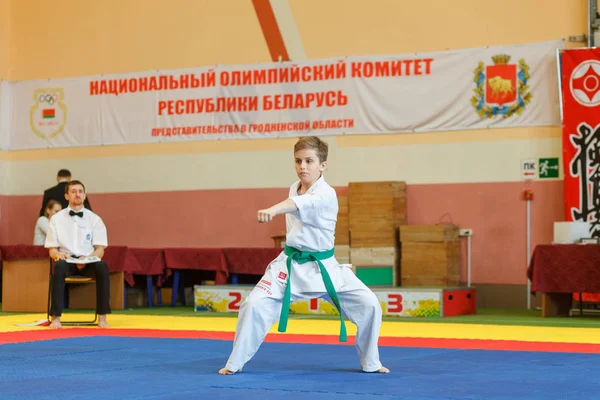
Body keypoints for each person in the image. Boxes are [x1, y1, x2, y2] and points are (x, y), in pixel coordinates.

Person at [218, 136, 389, 375]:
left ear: (323, 165)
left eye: (309, 161)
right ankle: (233, 364)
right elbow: (296, 199)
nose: (302, 167)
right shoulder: (295, 186)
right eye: (298, 161)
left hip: (324, 267)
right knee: (253, 305)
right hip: (289, 266)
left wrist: (272, 210)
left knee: (370, 305)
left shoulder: (326, 193)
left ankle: (371, 363)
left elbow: (297, 204)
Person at [45, 180, 110, 329]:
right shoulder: (56, 219)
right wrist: (58, 255)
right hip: (66, 260)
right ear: (67, 196)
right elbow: (52, 249)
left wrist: (89, 258)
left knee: (102, 267)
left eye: (80, 191)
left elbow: (100, 249)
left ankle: (102, 316)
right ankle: (56, 317)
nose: (77, 194)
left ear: (85, 195)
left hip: (88, 259)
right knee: (59, 267)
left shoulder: (95, 219)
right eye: (73, 191)